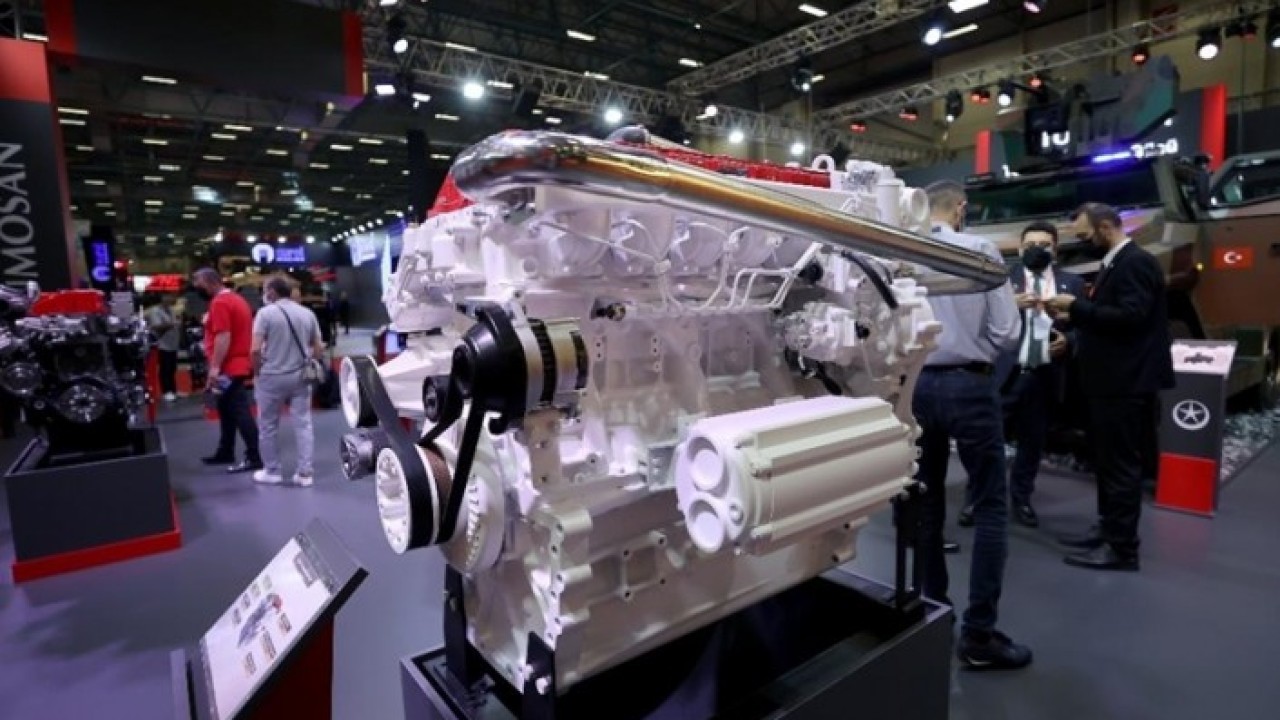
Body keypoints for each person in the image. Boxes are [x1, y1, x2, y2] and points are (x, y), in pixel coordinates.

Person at [914, 180, 1029, 669]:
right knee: (990, 506)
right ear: (960, 208)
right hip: (971, 384)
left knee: (925, 503)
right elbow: (1007, 332)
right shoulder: (980, 250)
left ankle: (933, 613)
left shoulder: (904, 250)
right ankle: (979, 636)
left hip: (918, 386)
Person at [1046, 203, 1173, 571]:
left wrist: (1078, 307)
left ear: (1105, 227)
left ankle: (1122, 548)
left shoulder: (1135, 263)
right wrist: (1074, 315)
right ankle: (1108, 529)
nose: (1083, 243)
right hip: (1111, 381)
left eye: (1086, 236)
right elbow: (1114, 316)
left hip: (1125, 382)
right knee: (1107, 463)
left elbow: (1131, 317)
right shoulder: (1117, 263)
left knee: (1120, 467)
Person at [1004, 221, 1086, 527]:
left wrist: (1070, 341)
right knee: (987, 441)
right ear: (1019, 249)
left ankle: (1021, 498)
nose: (1036, 250)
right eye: (1030, 246)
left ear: (1056, 249)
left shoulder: (1072, 284)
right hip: (1005, 374)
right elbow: (982, 321)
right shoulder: (1002, 282)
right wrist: (1009, 305)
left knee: (1032, 443)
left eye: (1044, 245)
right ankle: (979, 497)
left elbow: (1086, 327)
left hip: (1045, 375)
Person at [250, 277, 325, 487]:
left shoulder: (265, 314)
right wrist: (309, 361)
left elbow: (255, 349)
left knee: (268, 425)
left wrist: (257, 372)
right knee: (303, 424)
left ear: (272, 292)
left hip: (271, 376)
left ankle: (272, 471)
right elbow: (318, 348)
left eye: (265, 289)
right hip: (300, 376)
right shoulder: (307, 313)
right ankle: (305, 473)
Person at [192, 268, 262, 474]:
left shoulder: (220, 303)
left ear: (209, 282)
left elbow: (223, 336)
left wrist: (215, 367)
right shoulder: (236, 300)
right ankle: (226, 450)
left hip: (229, 366)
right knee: (226, 409)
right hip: (235, 363)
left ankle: (255, 456)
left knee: (239, 411)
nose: (197, 289)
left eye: (198, 284)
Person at [146, 294, 182, 402]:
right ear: (163, 298)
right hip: (162, 344)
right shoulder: (155, 311)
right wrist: (172, 324)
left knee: (172, 368)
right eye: (170, 296)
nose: (172, 299)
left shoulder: (171, 310)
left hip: (173, 343)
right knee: (165, 368)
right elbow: (155, 326)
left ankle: (173, 390)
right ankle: (166, 392)